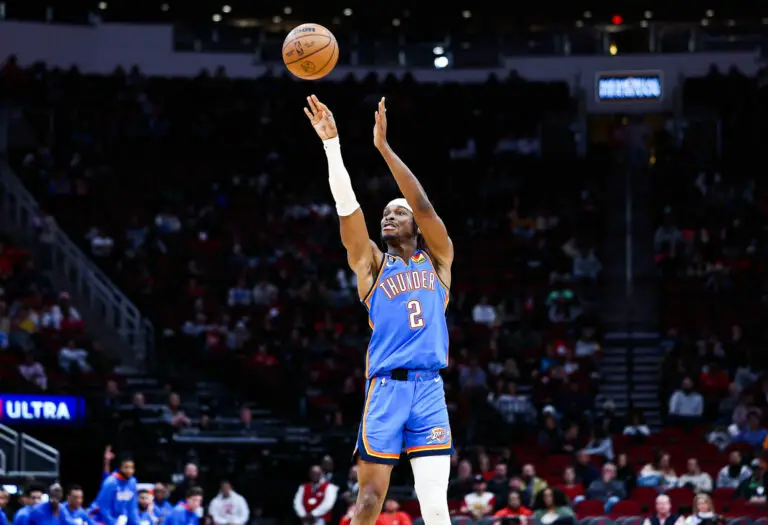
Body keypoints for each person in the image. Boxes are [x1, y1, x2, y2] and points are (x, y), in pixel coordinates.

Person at [304, 93, 454, 525]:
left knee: (435, 503)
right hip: (386, 389)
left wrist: (384, 149)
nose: (388, 216)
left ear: (415, 226)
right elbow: (347, 209)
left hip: (429, 387)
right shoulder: (372, 264)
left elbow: (422, 203)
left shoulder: (438, 260)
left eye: (397, 213)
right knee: (369, 500)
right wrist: (332, 146)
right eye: (385, 213)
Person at [91, 458, 140, 525]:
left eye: (132, 468)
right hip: (101, 519)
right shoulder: (110, 482)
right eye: (126, 467)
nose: (129, 470)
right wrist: (112, 523)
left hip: (120, 519)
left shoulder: (132, 482)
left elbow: (132, 508)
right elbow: (103, 507)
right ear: (120, 468)